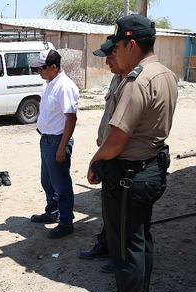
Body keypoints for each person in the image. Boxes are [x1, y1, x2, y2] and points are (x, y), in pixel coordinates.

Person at [86, 15, 178, 292]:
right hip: (150, 168)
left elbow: (117, 139)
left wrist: (96, 160)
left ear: (132, 44)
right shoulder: (164, 73)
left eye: (118, 46)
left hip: (129, 175)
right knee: (140, 238)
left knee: (125, 247)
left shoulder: (137, 80)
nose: (114, 53)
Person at [78, 37, 121, 276]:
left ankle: (119, 257)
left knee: (119, 214)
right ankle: (106, 246)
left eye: (111, 56)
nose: (106, 62)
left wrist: (97, 160)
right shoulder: (118, 79)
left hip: (119, 158)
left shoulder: (133, 82)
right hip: (108, 156)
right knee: (109, 210)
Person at [30, 49, 79, 239]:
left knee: (61, 183)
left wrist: (62, 146)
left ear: (54, 67)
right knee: (47, 181)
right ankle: (53, 212)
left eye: (41, 68)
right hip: (47, 139)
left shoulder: (64, 86)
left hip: (58, 140)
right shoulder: (50, 83)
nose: (39, 72)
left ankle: (66, 222)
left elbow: (71, 118)